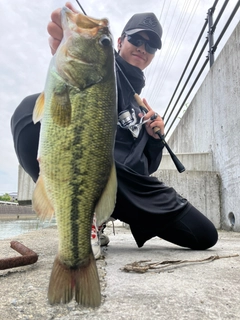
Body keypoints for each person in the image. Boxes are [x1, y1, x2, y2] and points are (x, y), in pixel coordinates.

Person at [11, 2, 218, 260]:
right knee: (28, 113)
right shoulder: (102, 70)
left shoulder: (143, 110)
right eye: (136, 39)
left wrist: (153, 140)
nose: (143, 48)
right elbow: (79, 72)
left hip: (127, 187)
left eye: (150, 45)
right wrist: (70, 44)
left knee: (205, 234)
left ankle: (99, 211)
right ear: (120, 41)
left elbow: (147, 167)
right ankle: (84, 215)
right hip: (89, 173)